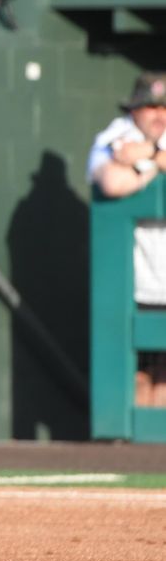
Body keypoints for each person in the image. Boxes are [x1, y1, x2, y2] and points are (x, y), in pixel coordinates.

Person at [87, 71, 166, 407]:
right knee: (138, 381)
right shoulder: (117, 135)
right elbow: (113, 183)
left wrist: (145, 156)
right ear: (134, 110)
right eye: (151, 107)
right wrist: (154, 161)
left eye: (164, 107)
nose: (160, 115)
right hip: (136, 285)